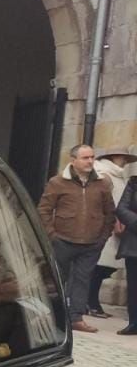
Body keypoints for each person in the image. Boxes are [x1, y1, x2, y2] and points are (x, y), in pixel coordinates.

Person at [38, 143, 116, 334]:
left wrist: (103, 237)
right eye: (85, 158)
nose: (90, 161)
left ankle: (76, 318)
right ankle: (52, 316)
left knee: (83, 280)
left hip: (92, 242)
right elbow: (44, 210)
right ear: (73, 161)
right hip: (62, 240)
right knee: (56, 280)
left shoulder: (103, 183)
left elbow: (110, 212)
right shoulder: (58, 182)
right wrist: (52, 235)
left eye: (92, 157)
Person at [89, 147, 134, 317]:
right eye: (124, 158)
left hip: (114, 225)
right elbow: (107, 201)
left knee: (104, 267)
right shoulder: (104, 173)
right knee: (99, 266)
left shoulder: (116, 174)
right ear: (115, 156)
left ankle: (91, 302)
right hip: (106, 225)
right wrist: (115, 221)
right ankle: (91, 303)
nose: (125, 162)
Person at [114, 152, 137, 335]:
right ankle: (134, 322)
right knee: (134, 285)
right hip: (134, 242)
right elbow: (121, 208)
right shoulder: (134, 183)